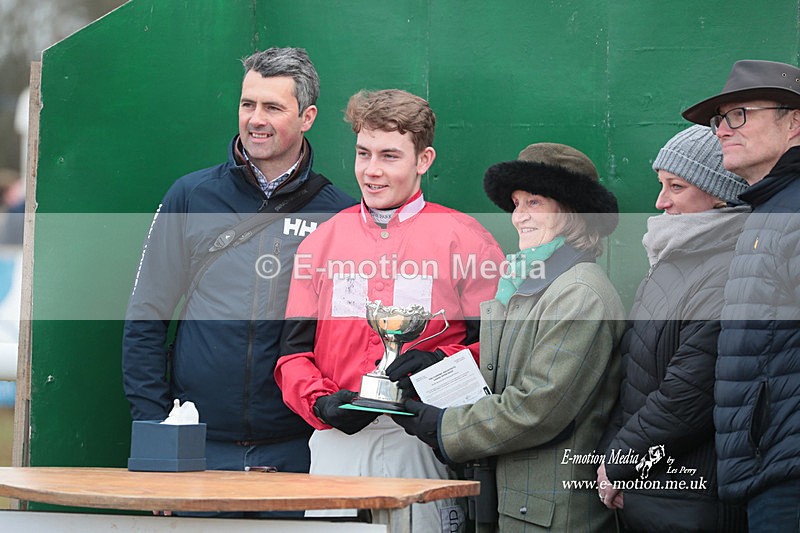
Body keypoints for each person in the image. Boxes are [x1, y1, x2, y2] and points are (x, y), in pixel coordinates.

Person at [121, 47, 355, 517]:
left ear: (307, 116)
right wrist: (158, 435)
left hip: (300, 451)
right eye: (248, 104)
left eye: (273, 107)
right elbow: (146, 316)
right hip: (197, 450)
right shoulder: (191, 194)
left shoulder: (340, 214)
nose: (255, 119)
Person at [274, 88, 505, 532]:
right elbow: (291, 356)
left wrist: (440, 365)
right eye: (363, 153)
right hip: (337, 444)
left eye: (389, 156)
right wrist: (321, 406)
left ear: (423, 160)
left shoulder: (467, 239)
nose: (372, 171)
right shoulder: (320, 243)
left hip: (421, 440)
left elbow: (496, 352)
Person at [391, 142, 625, 532]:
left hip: (554, 516)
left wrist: (445, 427)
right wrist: (438, 369)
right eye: (517, 204)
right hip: (518, 507)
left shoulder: (580, 293)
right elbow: (502, 375)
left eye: (534, 203)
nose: (519, 217)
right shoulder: (528, 283)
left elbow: (538, 409)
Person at [597, 125, 749, 532]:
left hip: (691, 496)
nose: (660, 201)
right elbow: (635, 376)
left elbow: (690, 392)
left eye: (676, 187)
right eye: (661, 185)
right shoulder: (672, 258)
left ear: (719, 192)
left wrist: (619, 461)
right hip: (649, 488)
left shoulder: (728, 269)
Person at [681, 59, 800, 533]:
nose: (723, 131)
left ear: (795, 122)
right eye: (719, 120)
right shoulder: (768, 208)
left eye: (740, 114)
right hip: (764, 469)